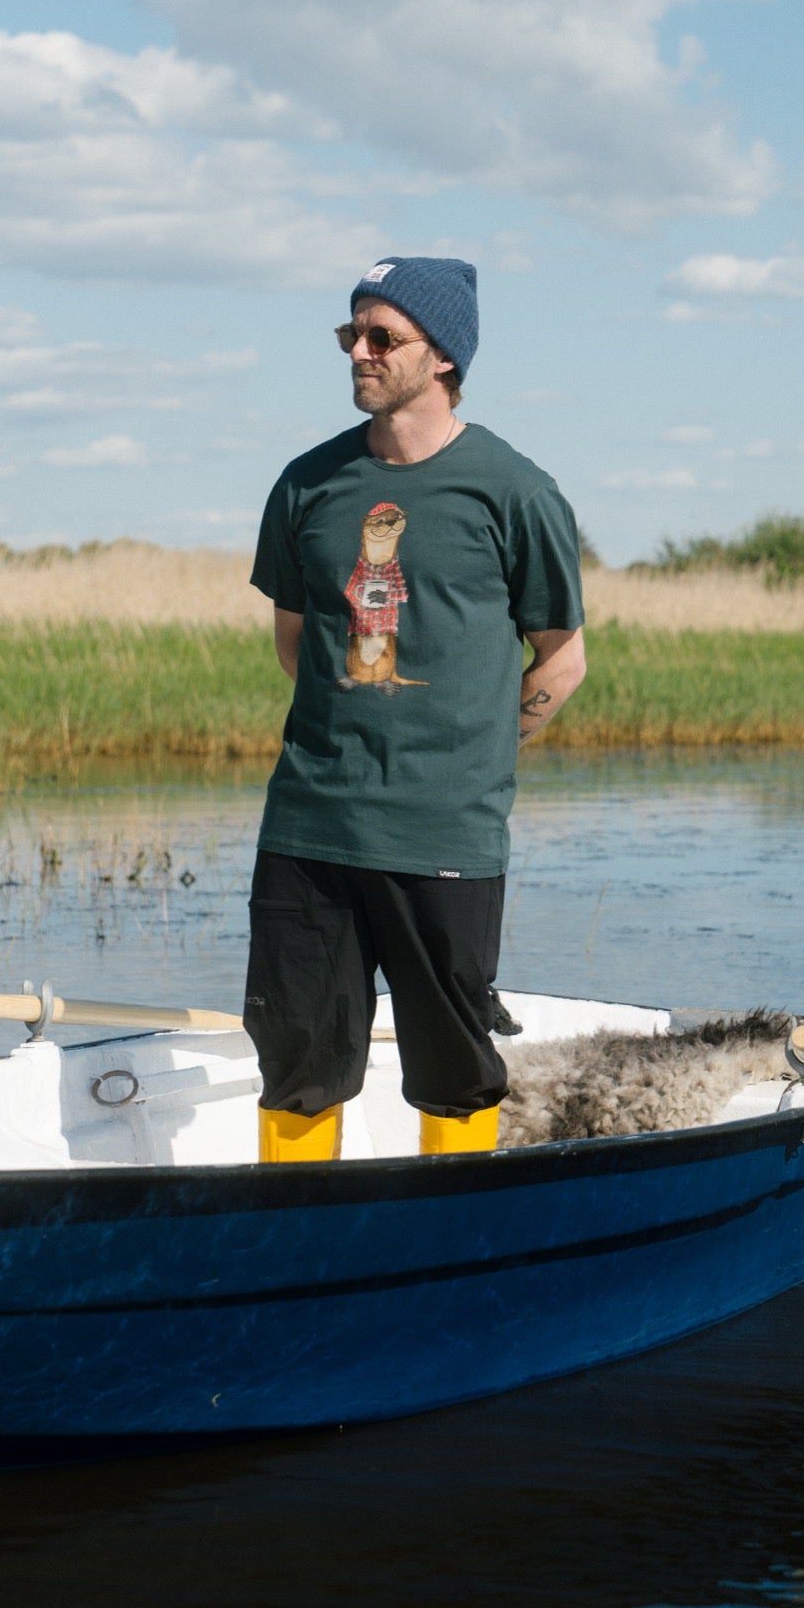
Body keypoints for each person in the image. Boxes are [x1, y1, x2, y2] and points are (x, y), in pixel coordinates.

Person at [245, 255, 586, 1161]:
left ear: (442, 357)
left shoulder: (514, 491)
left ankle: (452, 1241)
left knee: (451, 1064)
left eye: (380, 336)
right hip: (310, 825)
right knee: (295, 1059)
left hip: (444, 832)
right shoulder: (306, 484)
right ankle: (293, 1246)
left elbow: (562, 656)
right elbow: (296, 640)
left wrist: (472, 746)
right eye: (348, 333)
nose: (357, 350)